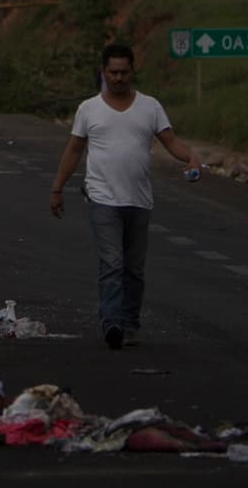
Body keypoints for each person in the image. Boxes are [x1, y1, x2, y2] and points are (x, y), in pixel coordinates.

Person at [49, 44, 203, 350]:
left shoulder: (150, 107)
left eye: (124, 72)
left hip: (139, 200)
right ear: (103, 72)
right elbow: (74, 150)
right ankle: (112, 323)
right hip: (102, 198)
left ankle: (130, 322)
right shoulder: (89, 109)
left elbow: (170, 141)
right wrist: (57, 189)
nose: (118, 78)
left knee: (134, 268)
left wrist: (191, 158)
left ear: (132, 72)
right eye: (113, 72)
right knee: (112, 262)